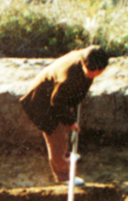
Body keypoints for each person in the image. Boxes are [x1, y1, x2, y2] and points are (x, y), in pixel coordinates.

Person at [18, 45, 110, 185]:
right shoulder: (68, 77)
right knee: (57, 138)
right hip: (42, 104)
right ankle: (63, 176)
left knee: (65, 130)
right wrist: (70, 121)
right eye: (90, 71)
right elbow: (56, 102)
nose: (92, 74)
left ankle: (65, 155)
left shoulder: (86, 57)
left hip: (55, 95)